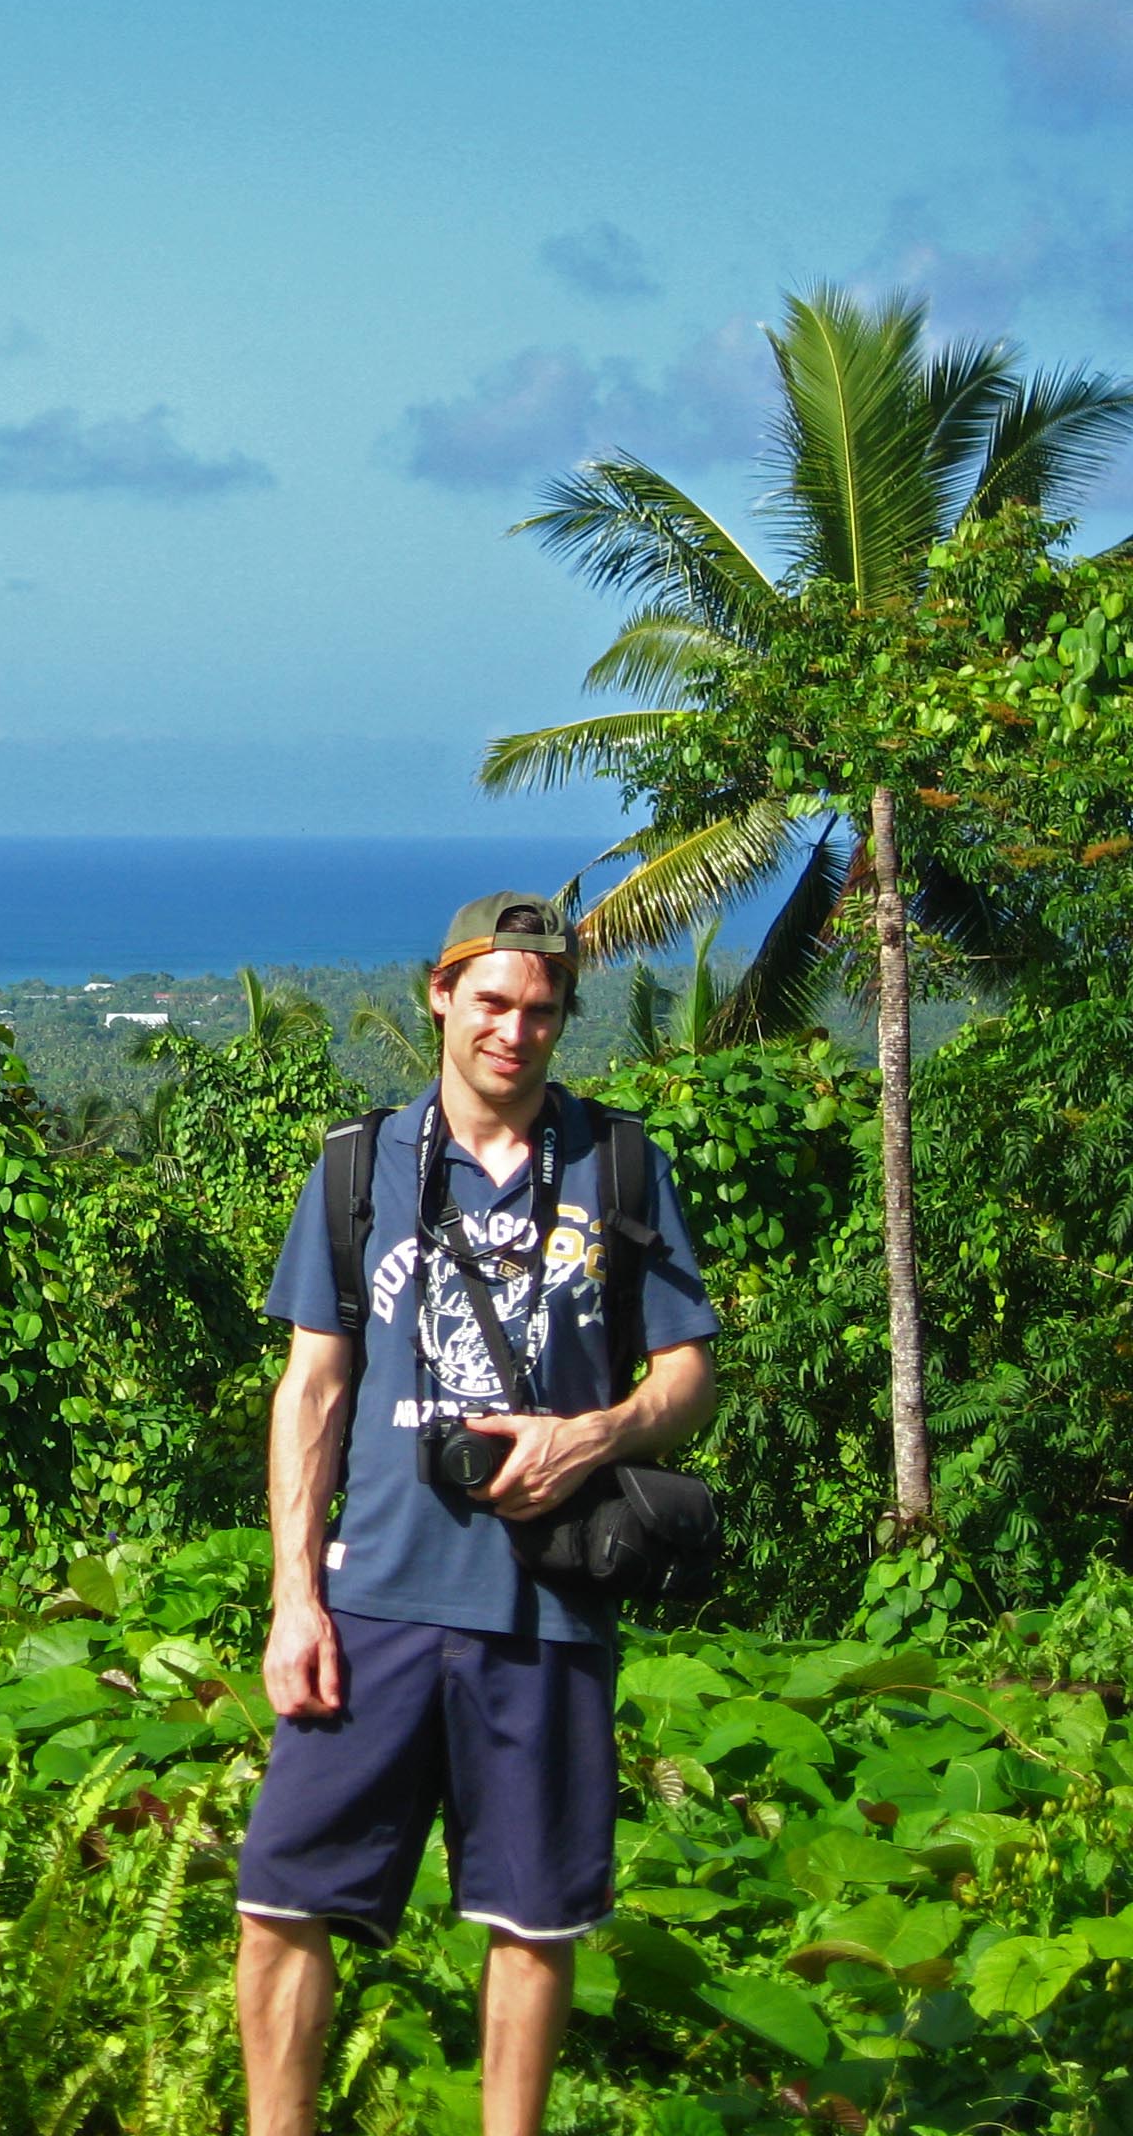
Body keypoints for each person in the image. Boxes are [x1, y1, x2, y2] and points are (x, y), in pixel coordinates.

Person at [233, 894, 720, 2136]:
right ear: (441, 996)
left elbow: (688, 1379)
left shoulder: (619, 1164)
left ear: (564, 1019)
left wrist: (590, 1434)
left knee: (533, 1919)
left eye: (542, 1010)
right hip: (374, 1601)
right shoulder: (360, 1167)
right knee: (280, 1901)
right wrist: (295, 1600)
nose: (515, 1031)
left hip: (547, 1605)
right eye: (492, 1002)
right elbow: (312, 1389)